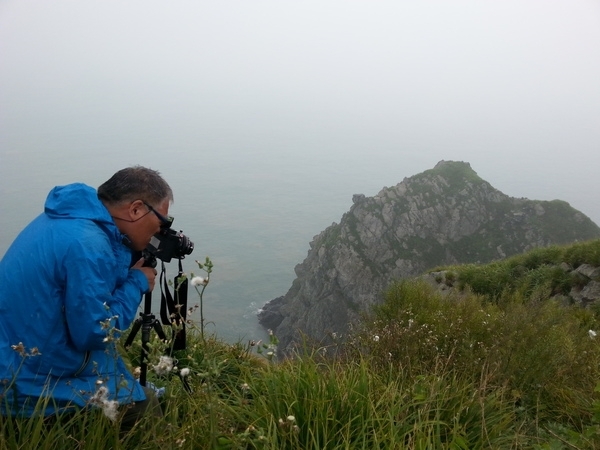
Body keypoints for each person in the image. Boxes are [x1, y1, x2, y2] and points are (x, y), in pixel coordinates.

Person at [0, 166, 171, 429]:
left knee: (123, 374)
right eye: (162, 222)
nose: (159, 232)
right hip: (23, 380)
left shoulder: (68, 218)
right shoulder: (89, 243)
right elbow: (94, 333)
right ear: (136, 209)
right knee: (146, 405)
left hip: (13, 349)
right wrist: (137, 282)